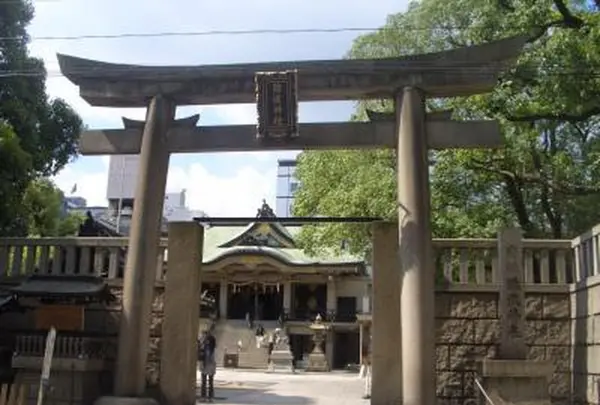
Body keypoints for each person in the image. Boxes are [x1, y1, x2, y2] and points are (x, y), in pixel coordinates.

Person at [198, 330, 217, 402]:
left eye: (202, 335)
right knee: (210, 382)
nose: (201, 336)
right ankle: (210, 397)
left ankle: (204, 397)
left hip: (206, 365)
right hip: (211, 365)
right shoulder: (211, 346)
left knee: (204, 382)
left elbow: (205, 356)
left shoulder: (206, 346)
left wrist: (203, 364)